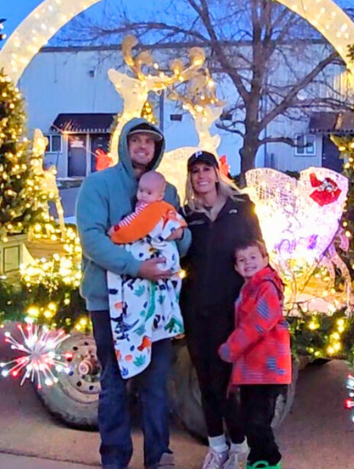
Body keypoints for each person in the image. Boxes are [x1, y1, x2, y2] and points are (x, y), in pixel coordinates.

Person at [76, 118, 191, 469]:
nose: (143, 147)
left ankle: (158, 456)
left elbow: (182, 237)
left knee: (156, 384)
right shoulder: (99, 185)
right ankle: (114, 459)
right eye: (136, 140)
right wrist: (136, 267)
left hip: (156, 302)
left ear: (157, 148)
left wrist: (180, 235)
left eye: (149, 142)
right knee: (115, 382)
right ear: (124, 144)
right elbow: (92, 239)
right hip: (110, 303)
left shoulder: (167, 190)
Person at [182, 150, 263, 469]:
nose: (201, 176)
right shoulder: (186, 216)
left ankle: (239, 446)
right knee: (206, 380)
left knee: (230, 382)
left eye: (206, 169)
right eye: (195, 171)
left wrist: (263, 292)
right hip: (197, 309)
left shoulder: (241, 206)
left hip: (234, 310)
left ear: (217, 173)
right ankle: (216, 446)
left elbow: (258, 251)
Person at [106, 170, 188, 381]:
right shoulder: (158, 208)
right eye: (141, 190)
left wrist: (115, 232)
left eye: (148, 192)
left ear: (160, 195)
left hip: (159, 256)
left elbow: (132, 227)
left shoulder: (151, 211)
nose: (142, 195)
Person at [219, 240, 291, 469]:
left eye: (253, 257)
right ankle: (257, 461)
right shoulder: (249, 288)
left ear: (265, 260)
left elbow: (258, 323)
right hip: (253, 369)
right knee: (250, 418)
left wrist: (231, 348)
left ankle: (270, 460)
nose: (248, 263)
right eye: (242, 260)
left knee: (258, 420)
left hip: (267, 367)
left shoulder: (266, 286)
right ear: (236, 267)